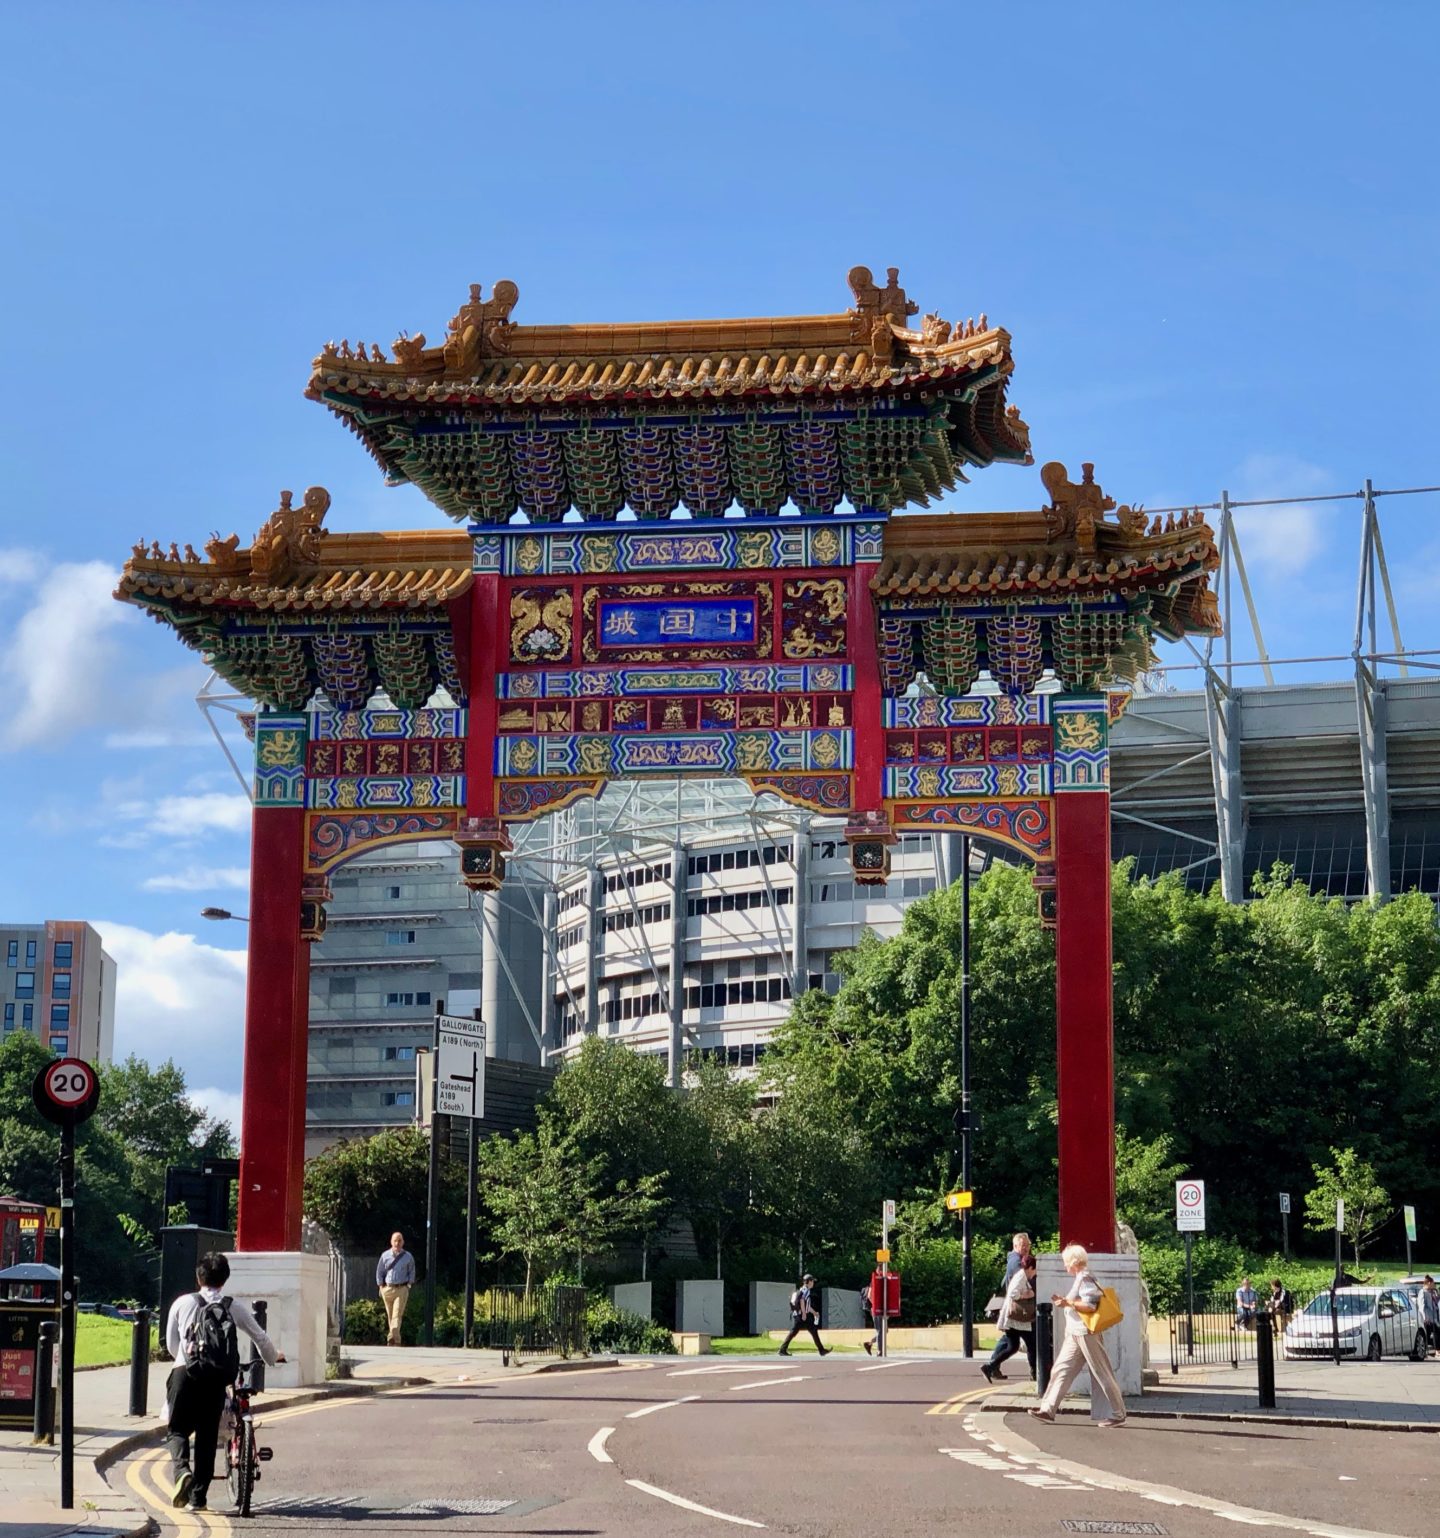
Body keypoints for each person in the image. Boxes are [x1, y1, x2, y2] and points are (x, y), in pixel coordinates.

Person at [164, 1251, 282, 1511]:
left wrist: (189, 1359)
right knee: (207, 1437)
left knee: (177, 1429)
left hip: (185, 1372)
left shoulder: (182, 1303)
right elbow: (260, 1337)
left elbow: (173, 1345)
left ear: (198, 1277)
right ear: (225, 1280)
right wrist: (274, 1358)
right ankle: (198, 1499)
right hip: (216, 1378)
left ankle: (182, 1471)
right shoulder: (232, 1306)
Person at [1028, 1243, 1126, 1429]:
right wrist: (1067, 1302)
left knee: (1101, 1372)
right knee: (1060, 1369)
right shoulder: (1081, 1278)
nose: (1065, 1266)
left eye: (1066, 1262)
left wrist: (1068, 1303)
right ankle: (1048, 1409)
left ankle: (1118, 1414)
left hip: (1086, 1333)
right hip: (1075, 1333)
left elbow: (1090, 1306)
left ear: (1074, 1262)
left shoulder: (1086, 1277)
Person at [982, 1251, 1037, 1383]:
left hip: (1013, 1319)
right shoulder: (1021, 1276)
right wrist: (1027, 1295)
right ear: (1030, 1268)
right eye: (1035, 1270)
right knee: (1032, 1344)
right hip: (1017, 1318)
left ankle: (989, 1367)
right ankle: (1035, 1374)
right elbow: (1013, 1293)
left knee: (1013, 1347)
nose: (1035, 1273)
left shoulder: (1022, 1276)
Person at [376, 1230, 416, 1346]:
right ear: (391, 1242)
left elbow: (412, 1271)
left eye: (399, 1241)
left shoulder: (408, 1257)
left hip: (401, 1288)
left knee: (397, 1314)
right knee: (390, 1315)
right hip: (387, 1288)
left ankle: (391, 1337)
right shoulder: (385, 1256)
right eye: (395, 1241)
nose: (397, 1243)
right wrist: (380, 1286)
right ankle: (396, 1339)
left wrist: (409, 1285)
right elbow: (380, 1271)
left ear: (403, 1242)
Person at [778, 1273, 831, 1357]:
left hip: (800, 1315)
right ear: (809, 1281)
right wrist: (803, 1313)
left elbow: (807, 1306)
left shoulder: (803, 1289)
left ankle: (821, 1350)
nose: (813, 1283)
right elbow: (802, 1301)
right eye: (812, 1281)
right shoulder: (805, 1290)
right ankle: (782, 1349)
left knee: (810, 1331)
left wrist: (814, 1313)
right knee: (798, 1332)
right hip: (801, 1315)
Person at [1419, 1276, 1440, 1355]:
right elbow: (1422, 1306)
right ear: (1429, 1283)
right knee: (1429, 1334)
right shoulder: (1423, 1292)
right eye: (1433, 1283)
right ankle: (1430, 1350)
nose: (1434, 1285)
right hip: (1428, 1318)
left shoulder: (1432, 1291)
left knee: (1436, 1333)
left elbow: (1436, 1302)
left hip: (1434, 1317)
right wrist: (1425, 1317)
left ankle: (1436, 1350)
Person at [860, 1277, 878, 1356]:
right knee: (881, 1331)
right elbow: (870, 1296)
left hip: (876, 1310)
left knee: (883, 1331)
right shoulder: (873, 1285)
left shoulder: (875, 1284)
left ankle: (869, 1344)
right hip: (875, 1311)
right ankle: (878, 1350)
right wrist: (875, 1306)